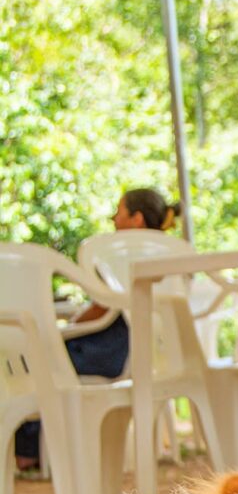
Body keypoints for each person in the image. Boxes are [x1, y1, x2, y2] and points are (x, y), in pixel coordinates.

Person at [15, 188, 182, 469]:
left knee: (39, 359)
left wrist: (67, 327)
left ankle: (27, 452)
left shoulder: (117, 255)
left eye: (118, 212)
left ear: (136, 219)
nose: (114, 219)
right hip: (156, 348)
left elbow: (103, 307)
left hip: (115, 348)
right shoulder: (172, 251)